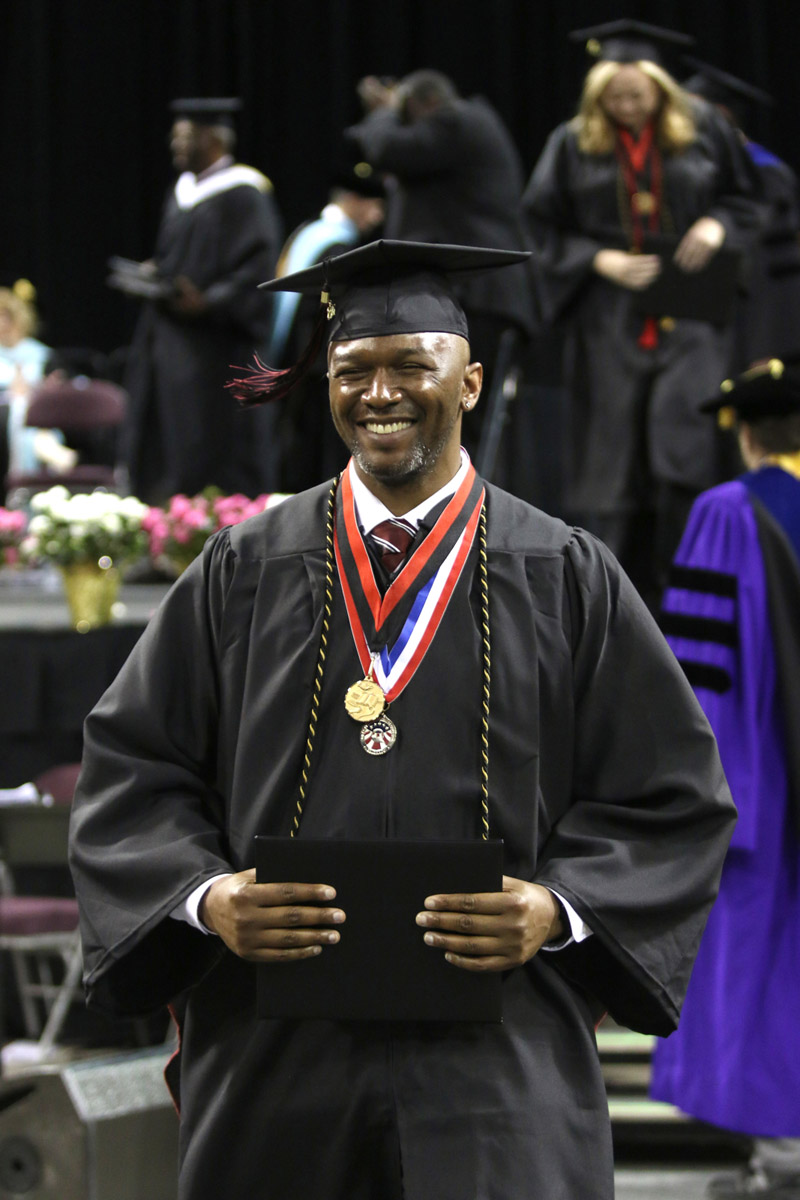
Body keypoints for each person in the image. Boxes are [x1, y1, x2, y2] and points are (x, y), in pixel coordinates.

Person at [69, 240, 736, 1200]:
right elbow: (135, 766)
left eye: (411, 365)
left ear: (468, 382)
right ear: (327, 385)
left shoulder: (562, 572)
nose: (380, 392)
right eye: (353, 371)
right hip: (275, 1049)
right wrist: (208, 900)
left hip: (498, 1055)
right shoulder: (245, 569)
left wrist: (556, 910)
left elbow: (670, 792)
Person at [523, 20, 761, 602]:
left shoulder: (704, 130)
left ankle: (690, 598)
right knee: (613, 461)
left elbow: (750, 197)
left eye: (638, 95)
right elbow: (537, 224)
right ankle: (612, 602)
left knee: (684, 449)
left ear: (661, 89)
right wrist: (598, 259)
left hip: (692, 314)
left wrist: (716, 223)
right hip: (610, 318)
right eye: (614, 98)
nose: (626, 107)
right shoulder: (572, 141)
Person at [650, 357, 800, 1200]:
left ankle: (779, 1159)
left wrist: (707, 791)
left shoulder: (727, 512)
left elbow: (697, 672)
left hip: (763, 783)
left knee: (761, 964)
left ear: (745, 433)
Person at [346, 70, 536, 456]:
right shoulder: (462, 129)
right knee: (450, 417)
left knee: (468, 415)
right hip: (465, 295)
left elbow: (386, 148)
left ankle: (476, 513)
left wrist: (384, 111)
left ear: (421, 107)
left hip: (479, 295)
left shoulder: (459, 119)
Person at [116, 98, 283, 503]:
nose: (175, 144)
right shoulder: (182, 192)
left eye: (184, 136)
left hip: (215, 350)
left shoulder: (245, 194)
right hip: (168, 342)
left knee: (210, 443)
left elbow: (257, 273)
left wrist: (208, 301)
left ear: (213, 140)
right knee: (165, 437)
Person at [268, 165, 385, 491]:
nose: (376, 217)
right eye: (374, 206)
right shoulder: (338, 248)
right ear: (353, 200)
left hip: (294, 366)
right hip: (318, 375)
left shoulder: (306, 234)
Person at [682, 58, 800, 368]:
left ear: (722, 116)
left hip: (763, 315)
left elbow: (775, 260)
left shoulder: (767, 172)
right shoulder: (697, 169)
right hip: (711, 310)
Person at [0, 281, 77, 496]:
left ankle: (47, 449)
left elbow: (64, 385)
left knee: (35, 419)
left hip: (39, 418)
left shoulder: (41, 354)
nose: (2, 323)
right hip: (3, 422)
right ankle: (51, 451)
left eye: (7, 316)